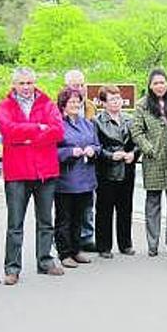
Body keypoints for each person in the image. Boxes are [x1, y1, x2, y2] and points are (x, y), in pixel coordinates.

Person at [0, 68, 65, 284]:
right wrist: (38, 128)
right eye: (22, 83)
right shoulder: (5, 106)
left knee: (46, 221)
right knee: (15, 223)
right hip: (17, 172)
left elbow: (58, 132)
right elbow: (8, 131)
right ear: (14, 84)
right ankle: (12, 267)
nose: (26, 87)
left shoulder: (47, 104)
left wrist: (25, 136)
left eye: (29, 83)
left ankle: (45, 260)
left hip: (45, 171)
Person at [131, 69, 167, 257]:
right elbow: (136, 131)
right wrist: (149, 149)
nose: (160, 86)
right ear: (150, 86)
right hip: (153, 160)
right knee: (153, 203)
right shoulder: (142, 105)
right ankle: (152, 244)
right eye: (156, 83)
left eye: (163, 82)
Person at [54, 87, 100, 269]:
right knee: (65, 217)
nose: (74, 105)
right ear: (63, 105)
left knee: (80, 217)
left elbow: (98, 145)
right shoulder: (58, 124)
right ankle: (64, 252)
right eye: (71, 102)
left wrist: (93, 150)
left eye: (77, 101)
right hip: (66, 179)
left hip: (86, 178)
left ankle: (76, 249)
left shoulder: (87, 124)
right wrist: (69, 152)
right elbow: (52, 151)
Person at [94, 85, 138, 259]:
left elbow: (137, 141)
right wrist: (111, 155)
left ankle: (125, 243)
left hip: (127, 169)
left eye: (118, 98)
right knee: (105, 210)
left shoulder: (130, 119)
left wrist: (133, 154)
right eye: (112, 99)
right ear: (104, 103)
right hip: (107, 171)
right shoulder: (97, 121)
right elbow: (96, 147)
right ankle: (104, 246)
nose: (116, 102)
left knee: (125, 208)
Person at [63, 69, 98, 252]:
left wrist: (94, 149)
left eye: (82, 84)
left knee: (87, 205)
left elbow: (95, 136)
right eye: (75, 85)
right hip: (69, 171)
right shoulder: (60, 110)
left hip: (88, 166)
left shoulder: (91, 106)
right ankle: (66, 244)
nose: (80, 88)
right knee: (68, 211)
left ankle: (86, 237)